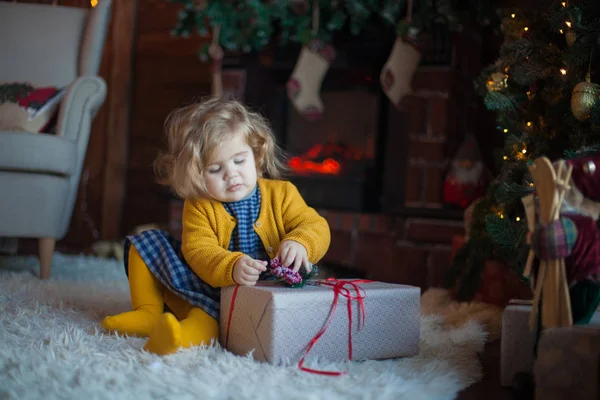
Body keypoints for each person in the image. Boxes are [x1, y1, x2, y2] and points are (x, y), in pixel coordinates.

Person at [101, 98, 331, 355]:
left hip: (269, 291)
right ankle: (148, 313)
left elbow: (315, 225)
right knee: (145, 244)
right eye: (215, 168)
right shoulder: (199, 204)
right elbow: (198, 250)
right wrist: (231, 267)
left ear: (256, 156)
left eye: (239, 161)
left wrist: (300, 242)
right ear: (196, 174)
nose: (231, 174)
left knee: (210, 324)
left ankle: (177, 338)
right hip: (210, 286)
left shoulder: (283, 194)